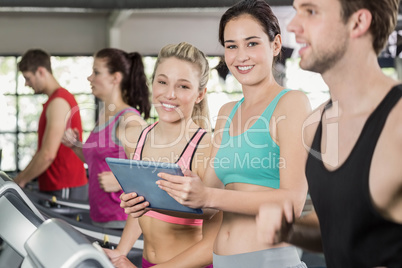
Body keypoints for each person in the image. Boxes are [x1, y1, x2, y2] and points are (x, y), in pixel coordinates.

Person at [155, 1, 311, 267]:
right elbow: (208, 204)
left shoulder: (291, 103)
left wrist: (208, 196)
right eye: (231, 46)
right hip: (222, 261)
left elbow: (292, 203)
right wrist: (152, 197)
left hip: (269, 261)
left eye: (251, 43)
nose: (241, 56)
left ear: (275, 45)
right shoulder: (227, 112)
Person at [255, 0, 402, 267]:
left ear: (358, 22)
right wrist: (290, 230)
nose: (293, 25)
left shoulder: (398, 123)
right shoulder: (315, 126)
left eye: (310, 12)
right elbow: (336, 228)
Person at [105, 42, 222, 268]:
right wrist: (121, 252)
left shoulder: (207, 148)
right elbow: (141, 210)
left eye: (183, 87)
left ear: (200, 94)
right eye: (162, 82)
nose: (169, 94)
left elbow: (213, 244)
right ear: (152, 84)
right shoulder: (137, 139)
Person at [61, 48, 150, 228]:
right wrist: (74, 147)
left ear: (115, 78)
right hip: (99, 218)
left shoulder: (129, 119)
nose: (90, 78)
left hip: (121, 221)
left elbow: (153, 168)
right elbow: (96, 162)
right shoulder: (104, 116)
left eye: (96, 72)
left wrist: (121, 181)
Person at [14, 49, 88, 200]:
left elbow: (48, 154)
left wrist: (19, 181)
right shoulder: (54, 100)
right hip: (57, 186)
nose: (26, 84)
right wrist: (19, 179)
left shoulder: (58, 102)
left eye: (28, 78)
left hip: (64, 186)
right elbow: (42, 151)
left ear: (41, 71)